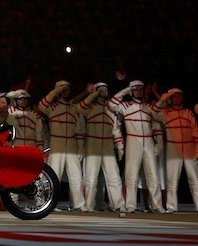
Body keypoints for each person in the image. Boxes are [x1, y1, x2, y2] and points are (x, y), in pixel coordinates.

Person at [108, 80, 165, 213]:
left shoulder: (149, 107)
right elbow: (112, 104)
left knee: (153, 175)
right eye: (136, 89)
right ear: (131, 91)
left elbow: (157, 125)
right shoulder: (126, 106)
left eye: (141, 89)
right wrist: (125, 90)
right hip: (133, 140)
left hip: (149, 141)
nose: (138, 92)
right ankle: (131, 205)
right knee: (131, 174)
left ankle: (157, 205)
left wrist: (159, 143)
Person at [75, 82, 126, 212]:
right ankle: (88, 205)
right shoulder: (89, 107)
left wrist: (119, 146)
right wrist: (93, 94)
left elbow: (116, 129)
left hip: (108, 145)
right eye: (100, 90)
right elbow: (79, 107)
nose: (104, 92)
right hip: (93, 144)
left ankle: (118, 204)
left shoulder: (111, 109)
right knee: (90, 177)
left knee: (114, 175)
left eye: (105, 89)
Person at [38, 80, 87, 211]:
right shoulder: (51, 108)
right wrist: (56, 91)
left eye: (67, 89)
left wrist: (80, 146)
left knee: (76, 176)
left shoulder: (73, 109)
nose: (65, 92)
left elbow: (79, 130)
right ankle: (48, 203)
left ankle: (80, 204)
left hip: (71, 145)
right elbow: (41, 105)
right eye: (63, 89)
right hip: (57, 145)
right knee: (54, 176)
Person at [154, 88, 198, 213]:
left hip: (189, 148)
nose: (178, 98)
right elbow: (153, 111)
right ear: (170, 98)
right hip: (173, 149)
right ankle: (171, 206)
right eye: (175, 96)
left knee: (195, 179)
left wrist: (197, 150)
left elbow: (196, 132)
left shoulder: (188, 113)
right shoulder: (165, 113)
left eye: (179, 96)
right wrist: (164, 98)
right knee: (172, 180)